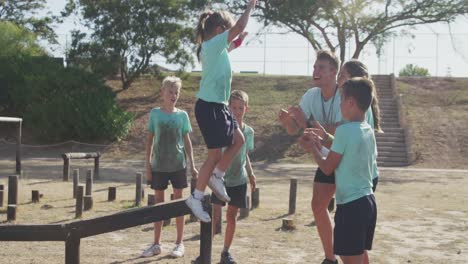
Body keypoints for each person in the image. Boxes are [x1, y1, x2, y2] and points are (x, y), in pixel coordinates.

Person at [186, 0, 257, 223]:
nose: (230, 36)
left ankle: (218, 175)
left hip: (219, 106)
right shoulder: (211, 46)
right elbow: (236, 29)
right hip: (209, 107)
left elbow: (231, 43)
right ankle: (196, 197)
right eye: (227, 32)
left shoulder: (217, 48)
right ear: (219, 31)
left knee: (239, 139)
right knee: (214, 155)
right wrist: (249, 9)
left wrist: (239, 41)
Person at [298, 77, 378, 264]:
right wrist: (320, 144)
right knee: (359, 254)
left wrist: (313, 149)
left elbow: (327, 168)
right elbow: (342, 157)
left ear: (351, 102)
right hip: (368, 203)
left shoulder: (343, 131)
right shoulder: (366, 129)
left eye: (341, 99)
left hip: (351, 206)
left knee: (349, 257)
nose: (339, 104)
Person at [279, 50, 343, 264]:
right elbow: (294, 130)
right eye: (314, 67)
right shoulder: (310, 95)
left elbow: (340, 131)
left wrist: (307, 125)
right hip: (326, 159)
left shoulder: (345, 95)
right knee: (318, 206)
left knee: (348, 214)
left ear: (333, 72)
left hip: (346, 159)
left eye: (321, 68)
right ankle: (330, 258)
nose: (315, 71)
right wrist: (289, 121)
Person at [141, 76, 198, 258]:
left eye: (176, 92)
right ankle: (156, 244)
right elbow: (149, 142)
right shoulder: (154, 114)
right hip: (158, 166)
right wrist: (148, 166)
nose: (174, 95)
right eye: (170, 92)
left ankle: (179, 243)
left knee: (179, 204)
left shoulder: (182, 115)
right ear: (162, 93)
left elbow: (187, 141)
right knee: (159, 205)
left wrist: (193, 165)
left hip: (178, 166)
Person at [211, 90, 256, 264]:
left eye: (240, 107)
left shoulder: (249, 132)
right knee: (215, 216)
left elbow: (244, 155)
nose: (237, 111)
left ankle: (225, 252)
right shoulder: (222, 128)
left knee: (232, 217)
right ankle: (206, 249)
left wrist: (251, 175)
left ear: (246, 108)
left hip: (239, 180)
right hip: (221, 179)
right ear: (228, 108)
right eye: (233, 107)